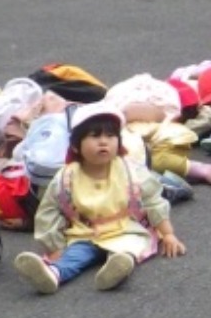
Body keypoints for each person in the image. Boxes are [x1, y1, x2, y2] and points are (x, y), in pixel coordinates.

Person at [16, 104, 187, 294]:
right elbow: (48, 211)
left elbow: (153, 201)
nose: (104, 142)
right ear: (75, 145)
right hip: (85, 233)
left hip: (126, 229)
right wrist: (54, 246)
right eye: (95, 136)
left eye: (110, 136)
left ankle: (117, 268)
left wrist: (168, 234)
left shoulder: (131, 170)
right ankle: (52, 274)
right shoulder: (66, 176)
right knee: (74, 256)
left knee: (128, 249)